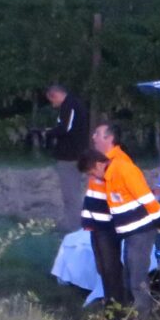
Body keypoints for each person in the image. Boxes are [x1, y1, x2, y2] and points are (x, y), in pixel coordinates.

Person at [91, 123, 160, 320]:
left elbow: (145, 196)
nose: (93, 137)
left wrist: (159, 219)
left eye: (97, 134)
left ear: (109, 138)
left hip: (140, 230)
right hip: (129, 230)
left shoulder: (122, 166)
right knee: (129, 275)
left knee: (136, 278)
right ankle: (129, 319)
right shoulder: (109, 164)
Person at [78, 148, 129, 314]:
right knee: (104, 268)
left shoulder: (117, 169)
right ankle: (111, 305)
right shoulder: (99, 173)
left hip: (108, 228)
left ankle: (117, 308)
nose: (91, 176)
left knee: (111, 268)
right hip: (98, 227)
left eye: (91, 172)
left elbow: (118, 199)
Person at [46, 84, 90, 232]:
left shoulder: (69, 105)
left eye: (52, 100)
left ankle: (74, 227)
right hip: (73, 154)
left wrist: (49, 133)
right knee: (71, 193)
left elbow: (65, 128)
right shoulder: (72, 104)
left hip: (70, 156)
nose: (53, 104)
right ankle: (71, 223)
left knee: (71, 194)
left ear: (56, 95)